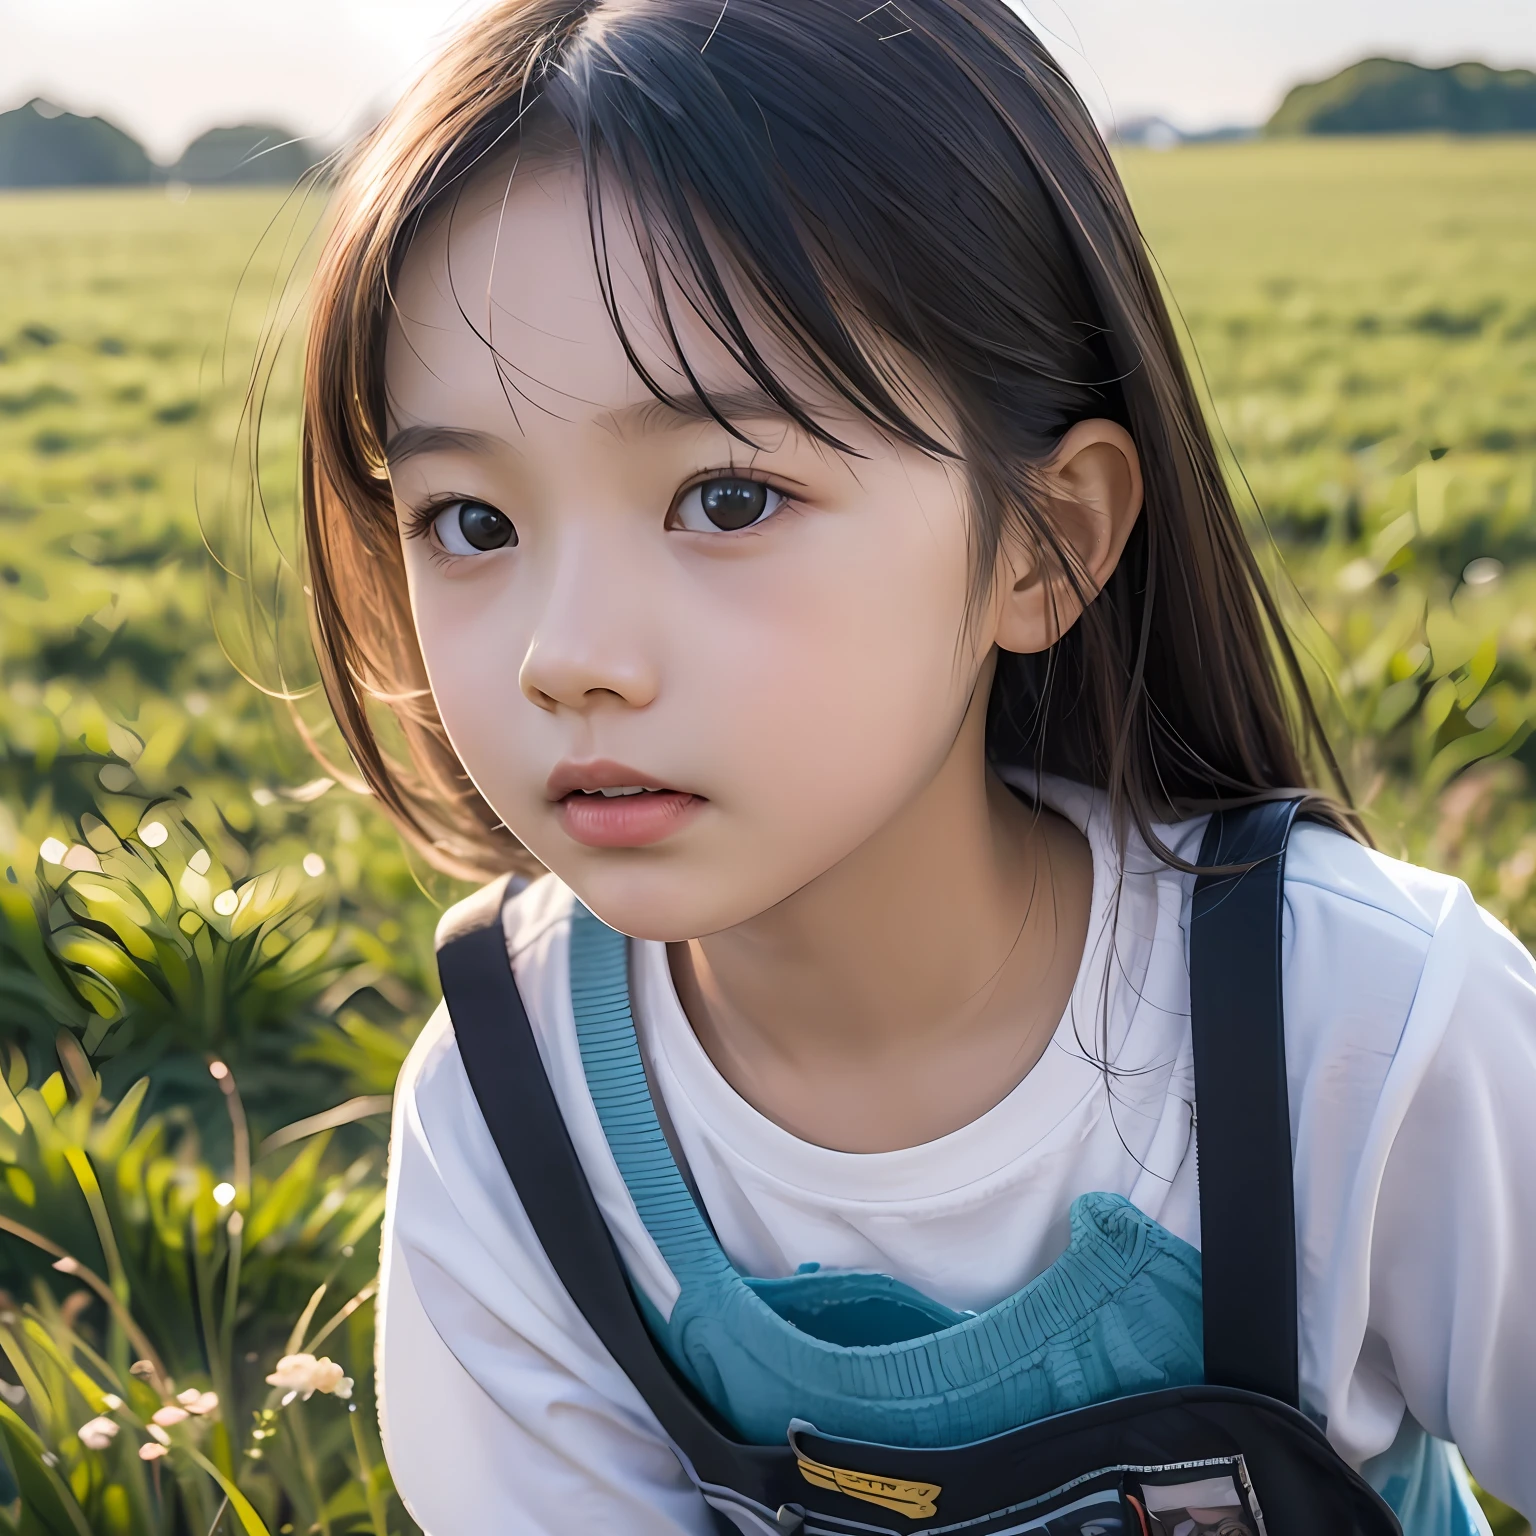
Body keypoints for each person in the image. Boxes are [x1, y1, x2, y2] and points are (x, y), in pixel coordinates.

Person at [290, 1, 1536, 1530]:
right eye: (470, 523)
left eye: (728, 496)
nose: (567, 654)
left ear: (1046, 539)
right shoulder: (510, 1110)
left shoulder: (1361, 1025)